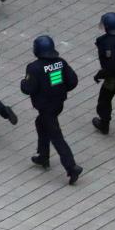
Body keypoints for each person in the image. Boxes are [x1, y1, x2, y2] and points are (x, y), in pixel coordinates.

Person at [20, 35, 82, 185]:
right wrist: (60, 90)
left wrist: (23, 82)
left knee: (56, 136)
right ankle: (43, 156)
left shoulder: (34, 68)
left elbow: (28, 89)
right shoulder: (61, 63)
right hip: (58, 104)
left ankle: (71, 166)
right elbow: (72, 81)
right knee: (40, 124)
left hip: (46, 107)